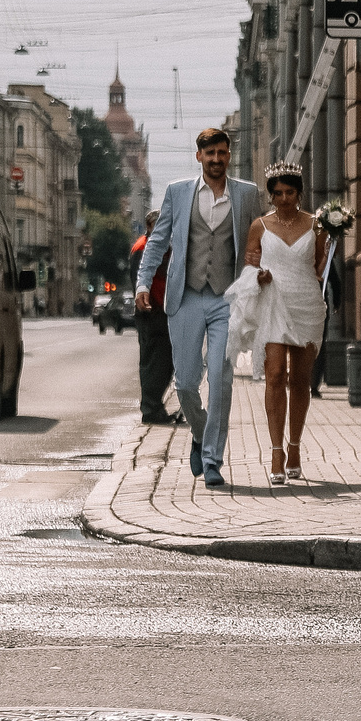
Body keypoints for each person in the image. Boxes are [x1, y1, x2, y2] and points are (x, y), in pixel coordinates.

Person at [136, 128, 261, 487]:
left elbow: (258, 241)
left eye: (222, 153)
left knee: (221, 379)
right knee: (187, 382)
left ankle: (212, 461)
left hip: (227, 298)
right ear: (199, 157)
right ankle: (200, 431)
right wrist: (143, 283)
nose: (217, 159)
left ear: (228, 155)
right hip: (187, 296)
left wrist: (261, 274)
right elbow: (156, 242)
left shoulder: (247, 194)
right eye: (210, 154)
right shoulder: (178, 192)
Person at [242, 162, 330, 486]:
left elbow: (321, 266)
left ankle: (295, 446)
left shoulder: (317, 225)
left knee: (301, 380)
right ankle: (276, 451)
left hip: (306, 303)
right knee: (276, 375)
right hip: (273, 302)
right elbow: (251, 263)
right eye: (276, 193)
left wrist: (330, 247)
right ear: (270, 195)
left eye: (289, 192)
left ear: (299, 192)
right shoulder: (259, 226)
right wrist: (259, 274)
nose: (282, 199)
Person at [128, 208, 176, 425]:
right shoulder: (143, 248)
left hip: (164, 312)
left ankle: (155, 407)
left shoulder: (165, 248)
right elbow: (142, 282)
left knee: (165, 361)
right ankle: (150, 409)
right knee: (153, 362)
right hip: (151, 313)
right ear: (149, 227)